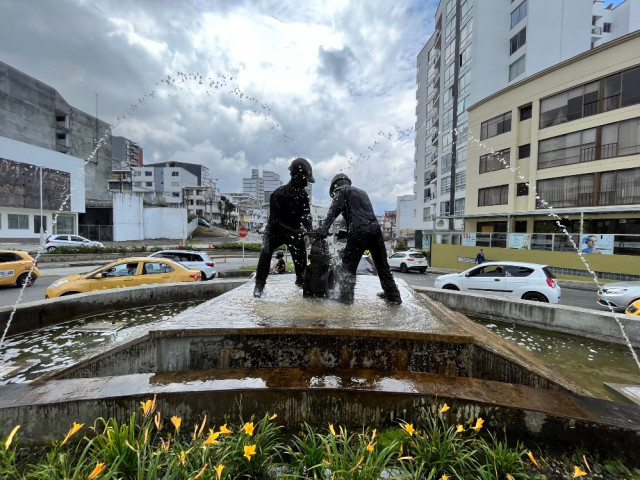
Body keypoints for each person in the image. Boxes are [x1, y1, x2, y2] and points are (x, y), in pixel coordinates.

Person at [316, 173, 402, 305]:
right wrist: (347, 233)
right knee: (382, 264)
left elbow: (334, 211)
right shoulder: (362, 192)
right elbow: (363, 216)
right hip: (375, 230)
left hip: (359, 230)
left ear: (335, 186)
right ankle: (393, 295)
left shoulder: (342, 190)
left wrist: (324, 228)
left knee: (348, 266)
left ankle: (345, 297)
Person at [254, 158, 314, 298]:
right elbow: (275, 221)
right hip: (275, 231)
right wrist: (294, 231)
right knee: (266, 250)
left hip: (294, 230)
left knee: (300, 252)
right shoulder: (278, 194)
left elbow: (306, 216)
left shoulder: (303, 195)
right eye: (304, 179)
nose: (306, 183)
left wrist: (310, 230)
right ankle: (259, 285)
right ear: (295, 177)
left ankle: (301, 281)